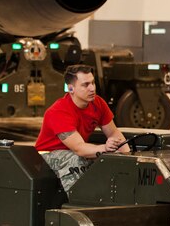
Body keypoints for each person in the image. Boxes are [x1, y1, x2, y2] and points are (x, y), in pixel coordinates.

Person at [35, 64, 129, 192]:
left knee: (111, 158)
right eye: (85, 85)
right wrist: (105, 148)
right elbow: (79, 148)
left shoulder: (98, 103)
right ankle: (78, 204)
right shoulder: (58, 112)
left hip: (73, 151)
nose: (92, 88)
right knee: (76, 160)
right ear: (71, 89)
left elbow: (113, 133)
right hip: (45, 156)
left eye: (93, 83)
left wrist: (127, 156)